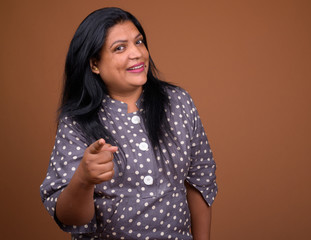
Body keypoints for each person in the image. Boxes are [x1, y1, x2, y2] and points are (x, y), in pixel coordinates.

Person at [40, 7, 217, 240]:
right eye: (120, 48)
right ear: (94, 64)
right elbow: (70, 218)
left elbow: (200, 181)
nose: (137, 53)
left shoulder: (178, 102)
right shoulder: (76, 122)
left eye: (139, 42)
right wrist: (83, 179)